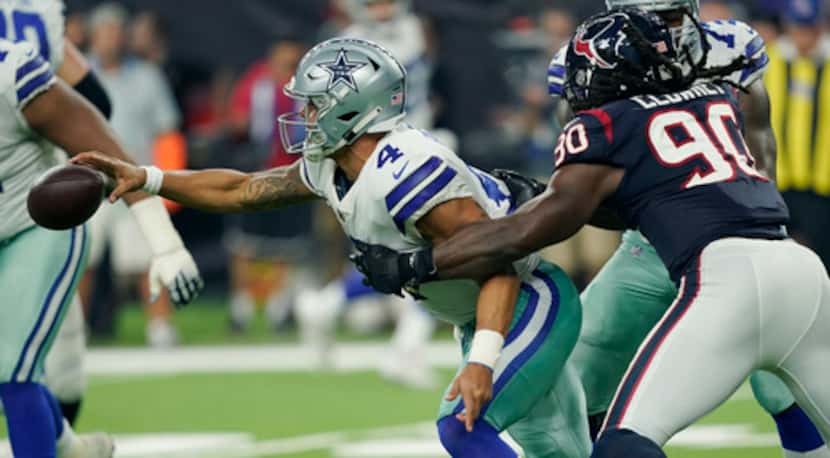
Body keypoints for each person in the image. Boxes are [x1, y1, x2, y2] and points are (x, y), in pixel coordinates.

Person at [73, 37, 592, 458]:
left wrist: (481, 359)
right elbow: (241, 189)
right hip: (478, 313)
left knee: (461, 428)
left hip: (526, 300)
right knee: (560, 451)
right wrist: (149, 177)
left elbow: (496, 258)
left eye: (315, 103)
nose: (303, 112)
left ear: (354, 107)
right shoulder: (333, 162)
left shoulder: (407, 170)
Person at [352, 9, 830, 457]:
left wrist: (416, 264)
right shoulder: (715, 94)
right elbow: (650, 193)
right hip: (800, 270)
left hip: (725, 279)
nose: (579, 94)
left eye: (587, 79)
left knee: (625, 443)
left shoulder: (611, 124)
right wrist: (545, 193)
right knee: (782, 391)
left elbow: (527, 232)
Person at [547, 1, 830, 456]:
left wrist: (749, 220)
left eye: (678, 15)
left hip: (736, 244)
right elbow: (589, 183)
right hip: (649, 245)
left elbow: (761, 148)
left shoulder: (728, 47)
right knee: (576, 378)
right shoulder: (590, 59)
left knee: (783, 389)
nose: (671, 31)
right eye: (658, 20)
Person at [0, 22, 203, 458]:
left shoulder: (12, 75)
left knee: (13, 371)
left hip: (33, 225)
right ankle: (69, 448)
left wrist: (164, 243)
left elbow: (113, 157)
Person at [86, 3, 187, 347]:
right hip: (88, 182)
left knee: (148, 258)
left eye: (117, 31)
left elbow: (166, 132)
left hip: (137, 181)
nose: (111, 38)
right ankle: (72, 330)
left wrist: (168, 183)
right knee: (79, 259)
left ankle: (160, 328)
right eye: (105, 31)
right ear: (93, 36)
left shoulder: (146, 76)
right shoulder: (77, 74)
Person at [765, 0, 830, 271]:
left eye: (808, 29)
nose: (802, 37)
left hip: (823, 180)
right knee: (778, 258)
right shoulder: (769, 61)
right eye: (797, 28)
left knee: (823, 257)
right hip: (778, 177)